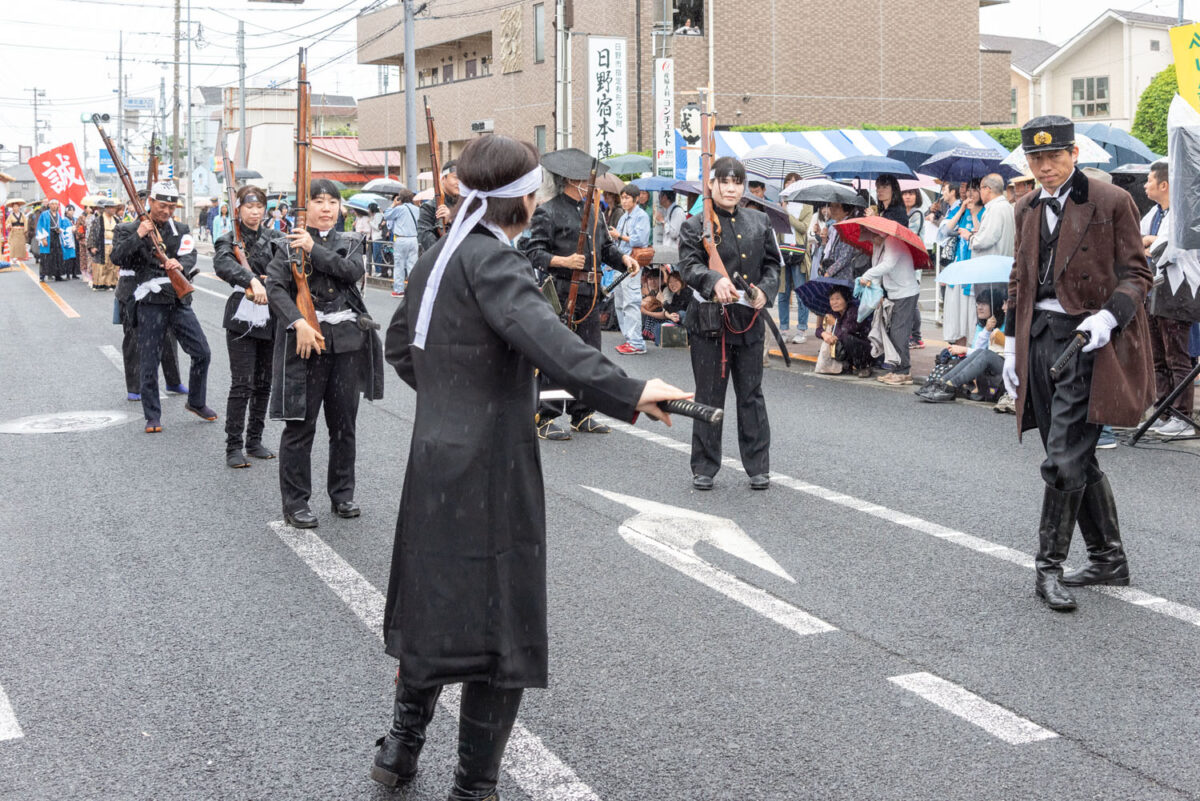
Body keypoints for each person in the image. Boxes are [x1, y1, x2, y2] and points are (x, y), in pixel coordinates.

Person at [378, 134, 689, 798]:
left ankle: (398, 752)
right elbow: (553, 343)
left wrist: (449, 399)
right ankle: (474, 785)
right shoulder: (495, 261)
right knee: (501, 627)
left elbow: (400, 345)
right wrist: (634, 392)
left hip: (434, 457)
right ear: (521, 197)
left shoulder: (438, 255)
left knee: (433, 610)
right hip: (491, 466)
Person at [1001, 116, 1154, 612]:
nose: (1045, 168)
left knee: (1063, 457)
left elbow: (1137, 273)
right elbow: (1019, 279)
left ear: (1074, 154)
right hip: (1038, 337)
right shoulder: (1025, 207)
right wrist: (1009, 344)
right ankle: (1109, 556)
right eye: (1036, 160)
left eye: (1054, 157)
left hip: (1088, 340)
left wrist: (1110, 317)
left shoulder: (1111, 200)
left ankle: (1047, 568)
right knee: (1072, 454)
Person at [265, 178, 384, 530]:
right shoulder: (285, 245)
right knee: (300, 426)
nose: (327, 208)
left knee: (344, 425)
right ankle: (296, 502)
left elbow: (350, 272)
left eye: (332, 202)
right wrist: (298, 322)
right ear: (306, 207)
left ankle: (342, 494)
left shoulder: (350, 242)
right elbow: (276, 288)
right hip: (306, 344)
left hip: (347, 343)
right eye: (318, 201)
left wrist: (313, 249)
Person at [521, 149, 640, 440]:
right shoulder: (546, 211)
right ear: (572, 181)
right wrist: (562, 261)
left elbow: (606, 250)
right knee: (558, 355)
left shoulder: (596, 213)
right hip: (562, 291)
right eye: (587, 180)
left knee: (589, 354)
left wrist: (624, 259)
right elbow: (532, 252)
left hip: (591, 291)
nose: (593, 184)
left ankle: (583, 412)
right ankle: (546, 415)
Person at [678, 156, 782, 490]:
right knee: (709, 395)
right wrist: (713, 280)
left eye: (737, 182)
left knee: (751, 394)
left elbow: (773, 265)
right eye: (724, 181)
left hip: (749, 320)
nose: (731, 188)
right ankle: (704, 466)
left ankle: (758, 466)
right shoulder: (696, 225)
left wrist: (766, 290)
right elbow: (688, 267)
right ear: (711, 184)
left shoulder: (759, 221)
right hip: (709, 323)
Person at [111, 181, 214, 433]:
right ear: (150, 202)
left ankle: (196, 402)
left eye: (171, 206)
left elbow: (189, 254)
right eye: (162, 205)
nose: (166, 211)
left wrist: (180, 265)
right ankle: (152, 416)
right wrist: (140, 235)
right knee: (149, 360)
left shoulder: (180, 229)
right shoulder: (128, 228)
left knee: (202, 352)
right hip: (148, 301)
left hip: (177, 298)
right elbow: (117, 257)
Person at [214, 186, 284, 469]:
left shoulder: (276, 236)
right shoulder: (228, 239)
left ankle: (254, 440)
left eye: (259, 208)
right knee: (242, 383)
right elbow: (222, 264)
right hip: (242, 317)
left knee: (264, 383)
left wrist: (271, 278)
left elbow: (287, 265)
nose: (255, 213)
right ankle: (233, 445)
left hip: (272, 316)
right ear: (238, 209)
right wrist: (251, 279)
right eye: (249, 207)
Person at [1140, 160, 1196, 438]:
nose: (1145, 185)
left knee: (1177, 356)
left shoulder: (1183, 213)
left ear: (1164, 184)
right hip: (1153, 290)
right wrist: (1148, 241)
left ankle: (1183, 416)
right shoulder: (1153, 213)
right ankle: (1162, 412)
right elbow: (1135, 241)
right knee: (1157, 358)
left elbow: (1165, 251)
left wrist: (1151, 243)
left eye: (1149, 180)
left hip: (1178, 291)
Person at [858, 224, 921, 386]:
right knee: (893, 331)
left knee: (899, 332)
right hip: (895, 293)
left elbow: (887, 265)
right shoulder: (880, 245)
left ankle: (903, 371)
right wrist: (877, 290)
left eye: (872, 234)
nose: (871, 238)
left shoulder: (893, 241)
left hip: (905, 293)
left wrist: (866, 276)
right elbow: (879, 270)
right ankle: (896, 369)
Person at [918, 288, 1006, 403]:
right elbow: (976, 351)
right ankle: (941, 382)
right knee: (978, 353)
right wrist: (986, 330)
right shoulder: (984, 324)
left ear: (995, 306)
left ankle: (950, 386)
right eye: (978, 304)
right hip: (989, 362)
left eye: (984, 304)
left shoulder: (1008, 322)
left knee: (984, 354)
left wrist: (964, 349)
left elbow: (997, 352)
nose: (979, 307)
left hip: (1007, 364)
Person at [940, 179, 985, 343]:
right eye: (969, 190)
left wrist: (973, 214)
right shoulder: (960, 209)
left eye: (975, 189)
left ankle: (970, 347)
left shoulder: (986, 211)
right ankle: (958, 350)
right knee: (957, 313)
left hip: (974, 268)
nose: (971, 193)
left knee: (970, 312)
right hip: (958, 268)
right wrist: (962, 210)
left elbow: (981, 235)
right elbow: (946, 230)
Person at [609, 183, 649, 355]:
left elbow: (640, 239)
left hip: (632, 263)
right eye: (622, 198)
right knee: (619, 302)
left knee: (631, 302)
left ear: (635, 199)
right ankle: (629, 337)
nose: (624, 201)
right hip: (621, 262)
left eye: (627, 198)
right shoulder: (624, 216)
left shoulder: (642, 216)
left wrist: (619, 236)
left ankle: (636, 342)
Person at [815, 285, 873, 377]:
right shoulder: (833, 312)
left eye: (838, 299)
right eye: (831, 299)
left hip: (865, 349)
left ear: (846, 299)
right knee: (832, 336)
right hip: (849, 346)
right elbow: (818, 330)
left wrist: (834, 323)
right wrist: (824, 334)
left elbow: (844, 333)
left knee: (846, 338)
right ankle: (845, 365)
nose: (834, 302)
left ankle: (864, 366)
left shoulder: (854, 311)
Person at [965, 173, 1014, 259]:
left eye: (980, 189)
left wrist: (969, 237)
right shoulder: (1009, 207)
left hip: (993, 264)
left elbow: (985, 240)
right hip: (1005, 262)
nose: (980, 192)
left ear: (987, 189)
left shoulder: (995, 209)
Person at [817, 201, 868, 280]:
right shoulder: (834, 227)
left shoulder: (849, 227)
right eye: (831, 206)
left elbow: (845, 257)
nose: (832, 209)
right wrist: (824, 240)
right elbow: (830, 251)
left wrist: (828, 273)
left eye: (837, 206)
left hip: (843, 276)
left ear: (846, 210)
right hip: (833, 274)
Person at [418, 160, 460, 254]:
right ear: (443, 179)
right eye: (456, 178)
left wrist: (452, 219)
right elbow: (425, 240)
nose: (459, 182)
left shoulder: (468, 206)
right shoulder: (429, 208)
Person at [384, 189, 420, 297]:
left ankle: (399, 290)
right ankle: (414, 289)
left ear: (401, 198)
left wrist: (393, 204)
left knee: (399, 265)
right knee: (412, 265)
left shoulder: (400, 209)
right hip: (414, 238)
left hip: (401, 239)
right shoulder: (417, 209)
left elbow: (386, 215)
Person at [35, 200, 73, 282]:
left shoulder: (59, 215)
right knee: (45, 256)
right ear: (49, 205)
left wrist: (60, 230)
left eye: (56, 204)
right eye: (52, 204)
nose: (54, 206)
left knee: (57, 255)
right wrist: (43, 238)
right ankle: (42, 275)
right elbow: (40, 226)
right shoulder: (44, 214)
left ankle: (57, 275)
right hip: (48, 236)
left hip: (56, 235)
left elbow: (62, 225)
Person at [88, 199, 121, 290]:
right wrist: (92, 246)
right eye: (112, 208)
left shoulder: (117, 220)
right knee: (101, 264)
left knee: (112, 264)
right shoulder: (98, 220)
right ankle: (99, 283)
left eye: (114, 208)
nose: (114, 210)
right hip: (102, 245)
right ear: (106, 208)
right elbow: (92, 233)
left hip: (113, 245)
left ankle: (110, 283)